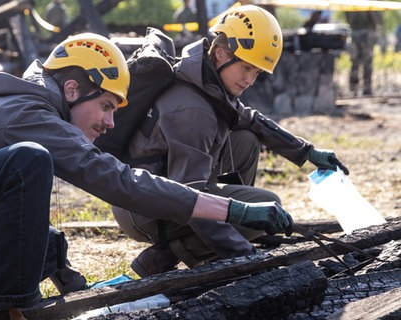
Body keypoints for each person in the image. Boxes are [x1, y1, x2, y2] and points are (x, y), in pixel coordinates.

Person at [0, 32, 294, 320]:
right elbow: (120, 180)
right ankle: (9, 311)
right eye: (107, 106)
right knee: (28, 160)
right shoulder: (30, 115)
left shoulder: (32, 108)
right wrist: (231, 207)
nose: (111, 123)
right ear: (73, 89)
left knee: (47, 245)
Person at [111, 5, 349, 278]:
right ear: (221, 53)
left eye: (257, 72)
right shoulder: (193, 110)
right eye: (246, 68)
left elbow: (247, 118)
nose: (250, 80)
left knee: (246, 140)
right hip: (144, 210)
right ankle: (170, 252)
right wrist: (248, 257)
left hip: (164, 184)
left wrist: (306, 151)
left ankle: (219, 239)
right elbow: (191, 199)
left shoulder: (204, 76)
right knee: (268, 202)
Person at [345, 10, 382, 96]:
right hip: (366, 35)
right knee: (366, 63)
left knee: (355, 63)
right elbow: (377, 20)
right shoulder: (368, 5)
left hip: (355, 34)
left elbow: (348, 18)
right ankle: (366, 88)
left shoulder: (351, 5)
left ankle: (354, 88)